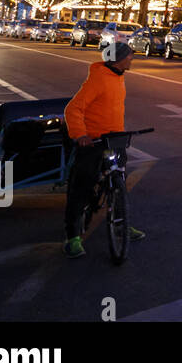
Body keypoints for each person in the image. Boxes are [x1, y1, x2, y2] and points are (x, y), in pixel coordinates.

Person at [63, 39, 145, 258]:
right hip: (93, 142)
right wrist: (80, 135)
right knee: (81, 188)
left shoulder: (118, 77)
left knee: (119, 183)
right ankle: (72, 238)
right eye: (129, 55)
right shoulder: (99, 79)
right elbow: (73, 110)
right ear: (118, 59)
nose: (132, 58)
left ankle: (121, 224)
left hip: (114, 140)